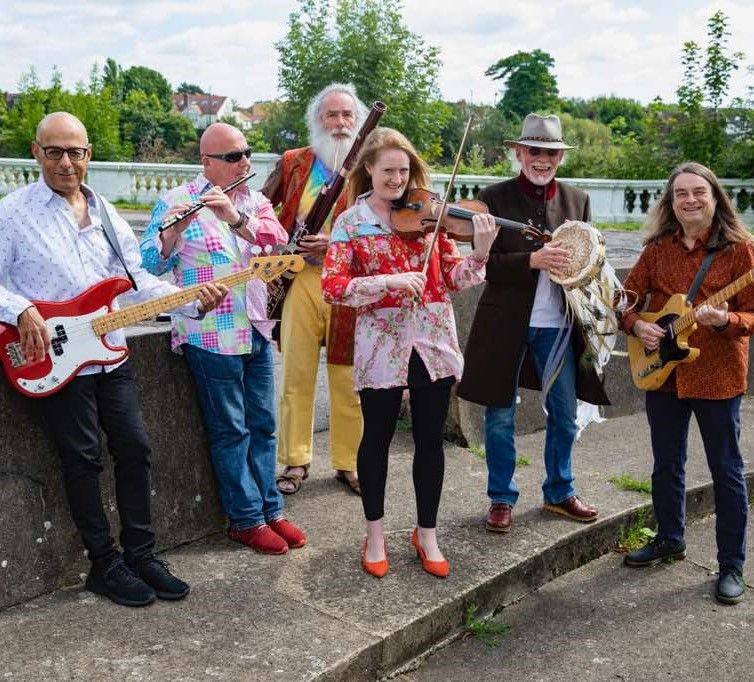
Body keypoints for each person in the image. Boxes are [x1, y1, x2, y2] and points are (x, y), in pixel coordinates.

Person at [0, 112, 228, 607]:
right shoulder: (12, 212)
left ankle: (141, 555)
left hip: (110, 351)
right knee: (82, 459)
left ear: (88, 156)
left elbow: (135, 281)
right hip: (53, 355)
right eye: (56, 151)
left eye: (76, 152)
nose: (67, 162)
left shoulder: (104, 210)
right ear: (37, 153)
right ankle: (104, 564)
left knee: (136, 448)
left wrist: (189, 298)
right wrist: (20, 311)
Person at [321, 127, 498, 578]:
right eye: (388, 171)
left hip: (433, 340)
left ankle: (427, 533)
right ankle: (375, 534)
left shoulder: (432, 216)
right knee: (376, 438)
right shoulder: (350, 223)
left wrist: (478, 252)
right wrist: (388, 283)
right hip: (380, 342)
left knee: (429, 441)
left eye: (403, 170)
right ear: (369, 171)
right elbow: (333, 288)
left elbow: (455, 278)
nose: (397, 179)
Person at [140, 123, 306, 556]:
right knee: (231, 430)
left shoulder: (255, 201)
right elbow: (145, 265)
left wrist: (236, 219)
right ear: (207, 162)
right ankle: (246, 519)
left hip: (254, 326)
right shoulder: (175, 201)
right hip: (208, 333)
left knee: (264, 426)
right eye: (233, 157)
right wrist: (173, 233)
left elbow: (280, 243)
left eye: (246, 153)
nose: (245, 162)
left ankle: (273, 510)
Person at [457, 113, 609, 534]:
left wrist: (592, 261)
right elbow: (482, 266)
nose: (543, 160)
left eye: (551, 153)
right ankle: (501, 498)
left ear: (560, 157)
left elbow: (586, 264)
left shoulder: (578, 200)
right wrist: (532, 260)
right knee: (500, 415)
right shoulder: (493, 197)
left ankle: (560, 491)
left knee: (564, 411)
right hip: (505, 322)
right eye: (535, 151)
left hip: (558, 324)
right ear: (519, 152)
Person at [620, 162, 752, 605]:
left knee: (727, 472)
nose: (690, 200)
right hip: (664, 375)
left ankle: (731, 564)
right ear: (670, 202)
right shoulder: (658, 248)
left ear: (716, 198)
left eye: (699, 192)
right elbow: (627, 298)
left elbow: (751, 315)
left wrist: (725, 319)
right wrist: (637, 326)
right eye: (681, 194)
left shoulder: (741, 253)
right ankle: (669, 538)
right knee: (666, 463)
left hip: (717, 376)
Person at [261, 83, 366, 496]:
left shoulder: (370, 168)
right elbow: (261, 211)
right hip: (300, 278)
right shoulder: (292, 163)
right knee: (296, 375)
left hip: (349, 283)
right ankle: (294, 461)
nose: (339, 124)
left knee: (348, 378)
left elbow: (385, 228)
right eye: (331, 115)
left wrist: (337, 246)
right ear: (317, 121)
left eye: (347, 116)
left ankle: (350, 463)